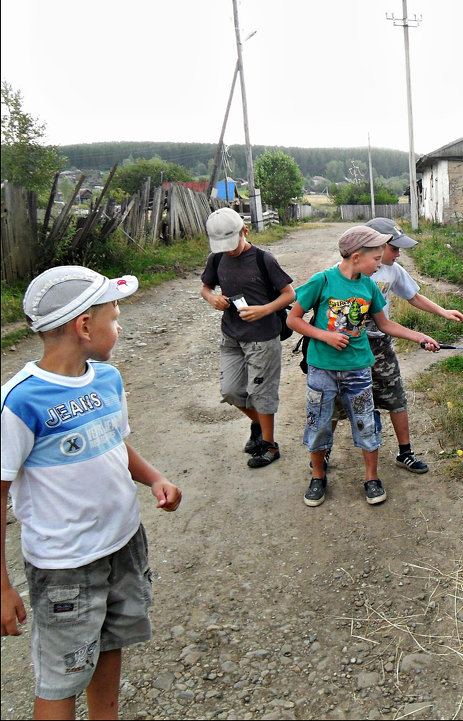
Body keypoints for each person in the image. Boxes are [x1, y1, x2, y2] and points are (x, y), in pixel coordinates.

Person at [1, 265, 183, 720]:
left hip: (122, 546)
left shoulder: (107, 379)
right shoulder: (19, 402)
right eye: (114, 314)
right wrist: (1, 587)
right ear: (84, 326)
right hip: (66, 566)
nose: (119, 324)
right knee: (62, 676)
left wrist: (155, 477)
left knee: (110, 644)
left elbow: (114, 442)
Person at [287, 225, 440, 507]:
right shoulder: (322, 281)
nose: (380, 264)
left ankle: (372, 478)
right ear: (356, 257)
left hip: (358, 369)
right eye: (376, 259)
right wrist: (325, 335)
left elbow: (385, 324)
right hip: (322, 369)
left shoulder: (369, 286)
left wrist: (420, 337)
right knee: (319, 424)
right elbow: (293, 319)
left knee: (366, 423)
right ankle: (318, 477)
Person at [363, 216, 463, 474]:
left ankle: (405, 452)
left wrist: (444, 312)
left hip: (380, 344)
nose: (398, 253)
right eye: (394, 247)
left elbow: (414, 296)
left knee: (395, 396)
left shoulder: (393, 270)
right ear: (374, 245)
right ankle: (325, 451)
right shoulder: (351, 271)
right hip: (349, 346)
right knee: (338, 401)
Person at [200, 207, 295, 468]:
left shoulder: (264, 259)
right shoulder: (216, 259)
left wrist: (264, 310)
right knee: (231, 390)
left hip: (262, 337)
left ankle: (270, 445)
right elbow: (205, 287)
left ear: (245, 231)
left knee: (261, 392)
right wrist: (212, 298)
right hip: (230, 335)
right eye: (222, 246)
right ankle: (258, 424)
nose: (229, 250)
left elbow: (289, 295)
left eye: (232, 243)